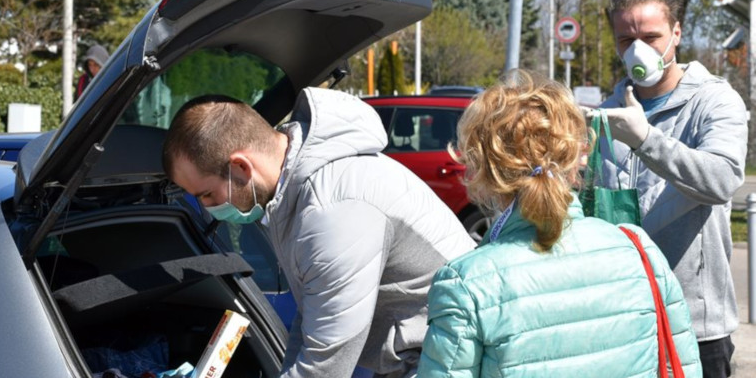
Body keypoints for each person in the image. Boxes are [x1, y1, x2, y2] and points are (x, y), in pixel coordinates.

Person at [162, 88, 475, 378]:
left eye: (206, 195)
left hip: (452, 361)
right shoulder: (293, 195)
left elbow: (325, 365)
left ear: (241, 168)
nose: (208, 207)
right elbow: (311, 318)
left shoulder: (333, 209)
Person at [417, 70, 702, 377]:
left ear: (482, 169)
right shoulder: (638, 250)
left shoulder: (466, 283)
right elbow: (682, 366)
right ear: (576, 155)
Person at [591, 0, 748, 377]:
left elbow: (722, 179)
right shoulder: (609, 111)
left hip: (695, 325)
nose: (637, 49)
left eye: (650, 36)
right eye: (625, 39)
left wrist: (646, 139)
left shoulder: (714, 100)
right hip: (624, 319)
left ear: (676, 34)